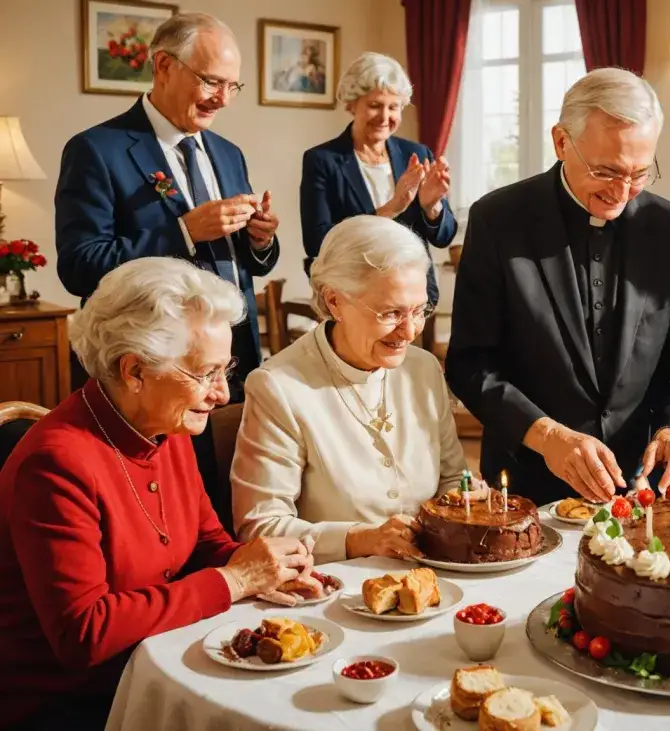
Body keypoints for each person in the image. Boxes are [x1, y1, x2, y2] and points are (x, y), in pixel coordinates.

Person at [0, 259, 309, 730]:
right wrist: (236, 580)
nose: (222, 394)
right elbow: (85, 632)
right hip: (77, 704)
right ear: (134, 370)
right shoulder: (56, 463)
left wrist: (266, 569)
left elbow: (207, 545)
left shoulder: (164, 426)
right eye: (205, 373)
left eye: (226, 368)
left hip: (158, 664)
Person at [447, 68, 670, 507]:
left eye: (640, 173)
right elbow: (471, 364)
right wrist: (547, 436)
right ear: (561, 141)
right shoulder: (497, 220)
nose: (622, 193)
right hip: (526, 480)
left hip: (637, 484)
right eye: (605, 171)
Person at [55, 11, 280, 388]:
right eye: (211, 81)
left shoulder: (229, 153)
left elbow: (245, 263)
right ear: (163, 65)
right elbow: (80, 267)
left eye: (232, 85)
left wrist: (260, 239)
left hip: (235, 358)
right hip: (152, 366)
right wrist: (184, 231)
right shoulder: (95, 149)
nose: (223, 99)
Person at [232, 216, 467, 564]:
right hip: (335, 588)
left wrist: (466, 499)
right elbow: (260, 526)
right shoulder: (279, 387)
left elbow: (451, 479)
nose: (409, 331)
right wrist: (359, 539)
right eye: (391, 313)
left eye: (419, 311)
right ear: (334, 301)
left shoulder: (423, 369)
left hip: (431, 575)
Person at [300, 51, 455, 305]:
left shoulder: (416, 154)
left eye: (393, 107)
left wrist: (431, 206)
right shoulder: (322, 160)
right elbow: (317, 243)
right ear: (351, 104)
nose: (385, 117)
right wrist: (391, 208)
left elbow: (444, 236)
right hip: (352, 298)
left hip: (413, 297)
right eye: (374, 105)